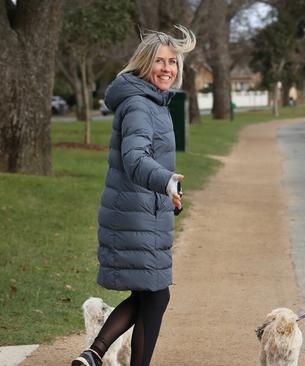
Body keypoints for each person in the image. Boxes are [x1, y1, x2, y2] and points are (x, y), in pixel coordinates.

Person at [72, 25, 195, 366]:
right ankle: (99, 354)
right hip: (136, 214)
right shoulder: (141, 104)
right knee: (155, 296)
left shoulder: (149, 102)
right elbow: (135, 158)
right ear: (144, 64)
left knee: (148, 295)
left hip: (141, 211)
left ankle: (93, 354)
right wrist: (167, 181)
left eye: (173, 61)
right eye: (160, 61)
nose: (168, 68)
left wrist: (168, 192)